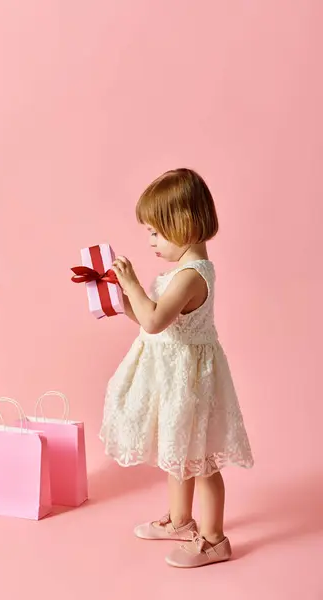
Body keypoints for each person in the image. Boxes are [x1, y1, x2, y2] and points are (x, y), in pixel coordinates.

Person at [99, 168, 254, 568]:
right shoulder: (179, 274)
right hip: (174, 377)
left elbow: (154, 321)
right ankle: (182, 521)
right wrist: (120, 299)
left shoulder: (190, 276)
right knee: (179, 449)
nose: (150, 240)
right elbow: (154, 322)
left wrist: (133, 284)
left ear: (183, 224)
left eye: (155, 232)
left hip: (190, 380)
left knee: (201, 460)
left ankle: (215, 538)